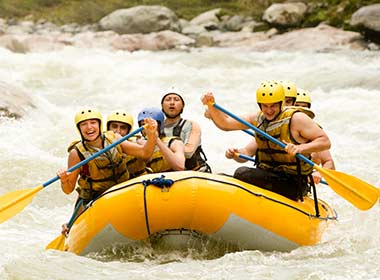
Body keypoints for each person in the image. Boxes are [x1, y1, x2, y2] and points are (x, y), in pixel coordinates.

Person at [202, 80, 331, 201]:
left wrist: (300, 148)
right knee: (222, 176)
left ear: (281, 103)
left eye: (273, 106)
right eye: (265, 106)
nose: (269, 110)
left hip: (293, 182)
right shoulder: (258, 119)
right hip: (267, 175)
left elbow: (325, 141)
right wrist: (211, 105)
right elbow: (226, 123)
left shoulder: (297, 119)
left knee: (242, 173)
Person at [57, 108, 158, 204]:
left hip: (124, 190)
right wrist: (64, 180)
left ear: (100, 125)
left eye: (93, 122)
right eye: (84, 124)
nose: (89, 127)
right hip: (97, 198)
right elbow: (68, 190)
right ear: (79, 128)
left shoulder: (115, 138)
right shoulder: (76, 153)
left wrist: (152, 134)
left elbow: (145, 153)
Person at [161, 88, 211, 172]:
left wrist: (161, 147)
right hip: (168, 174)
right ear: (162, 105)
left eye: (176, 100)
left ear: (182, 106)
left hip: (194, 172)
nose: (172, 102)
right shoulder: (156, 128)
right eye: (168, 100)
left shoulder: (191, 125)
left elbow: (188, 152)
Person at [295, 88, 336, 183]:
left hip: (303, 184)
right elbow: (252, 150)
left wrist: (319, 173)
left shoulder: (316, 134)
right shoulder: (280, 127)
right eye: (296, 106)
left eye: (304, 107)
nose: (301, 110)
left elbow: (329, 162)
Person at [137, 107, 186, 172]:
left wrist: (155, 139)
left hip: (171, 179)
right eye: (143, 124)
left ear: (160, 126)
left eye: (151, 124)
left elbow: (180, 167)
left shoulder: (175, 143)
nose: (147, 128)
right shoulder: (137, 143)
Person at [106, 110, 150, 178]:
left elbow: (146, 153)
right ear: (108, 128)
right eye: (114, 126)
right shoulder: (100, 144)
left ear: (128, 131)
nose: (118, 131)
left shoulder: (137, 142)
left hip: (138, 182)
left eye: (123, 128)